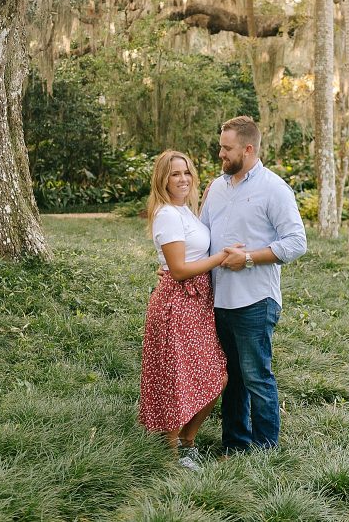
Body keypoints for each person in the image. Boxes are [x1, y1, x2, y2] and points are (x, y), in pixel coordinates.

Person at [200, 116, 307, 453]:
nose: (221, 154)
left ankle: (264, 451)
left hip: (255, 300)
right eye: (220, 147)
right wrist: (174, 267)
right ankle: (234, 445)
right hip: (218, 301)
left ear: (247, 150)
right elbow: (202, 237)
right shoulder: (217, 187)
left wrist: (247, 259)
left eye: (226, 148)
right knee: (230, 380)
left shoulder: (274, 189)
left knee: (256, 378)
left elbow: (296, 243)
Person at [138, 149, 238, 472]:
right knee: (178, 378)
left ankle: (187, 441)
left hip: (196, 305)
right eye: (174, 174)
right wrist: (222, 257)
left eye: (186, 173)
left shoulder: (186, 211)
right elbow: (179, 269)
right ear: (162, 180)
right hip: (176, 305)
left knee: (217, 375)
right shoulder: (167, 214)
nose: (182, 179)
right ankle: (172, 452)